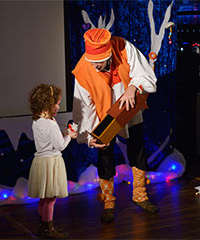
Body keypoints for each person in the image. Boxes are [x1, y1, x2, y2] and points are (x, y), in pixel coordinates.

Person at [72, 28, 158, 223]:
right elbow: (83, 109)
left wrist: (132, 87)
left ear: (109, 54)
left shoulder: (124, 48)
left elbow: (149, 79)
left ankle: (140, 195)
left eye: (100, 63)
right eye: (92, 63)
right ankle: (109, 202)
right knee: (105, 155)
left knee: (138, 149)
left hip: (130, 108)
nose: (95, 67)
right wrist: (89, 137)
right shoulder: (83, 70)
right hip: (104, 115)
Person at [28, 83, 77, 238]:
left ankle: (43, 225)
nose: (59, 106)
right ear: (48, 104)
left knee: (44, 197)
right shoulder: (50, 123)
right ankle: (49, 230)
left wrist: (62, 132)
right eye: (56, 103)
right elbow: (60, 146)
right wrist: (70, 136)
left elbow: (49, 141)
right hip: (51, 163)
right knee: (51, 198)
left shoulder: (37, 121)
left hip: (41, 161)